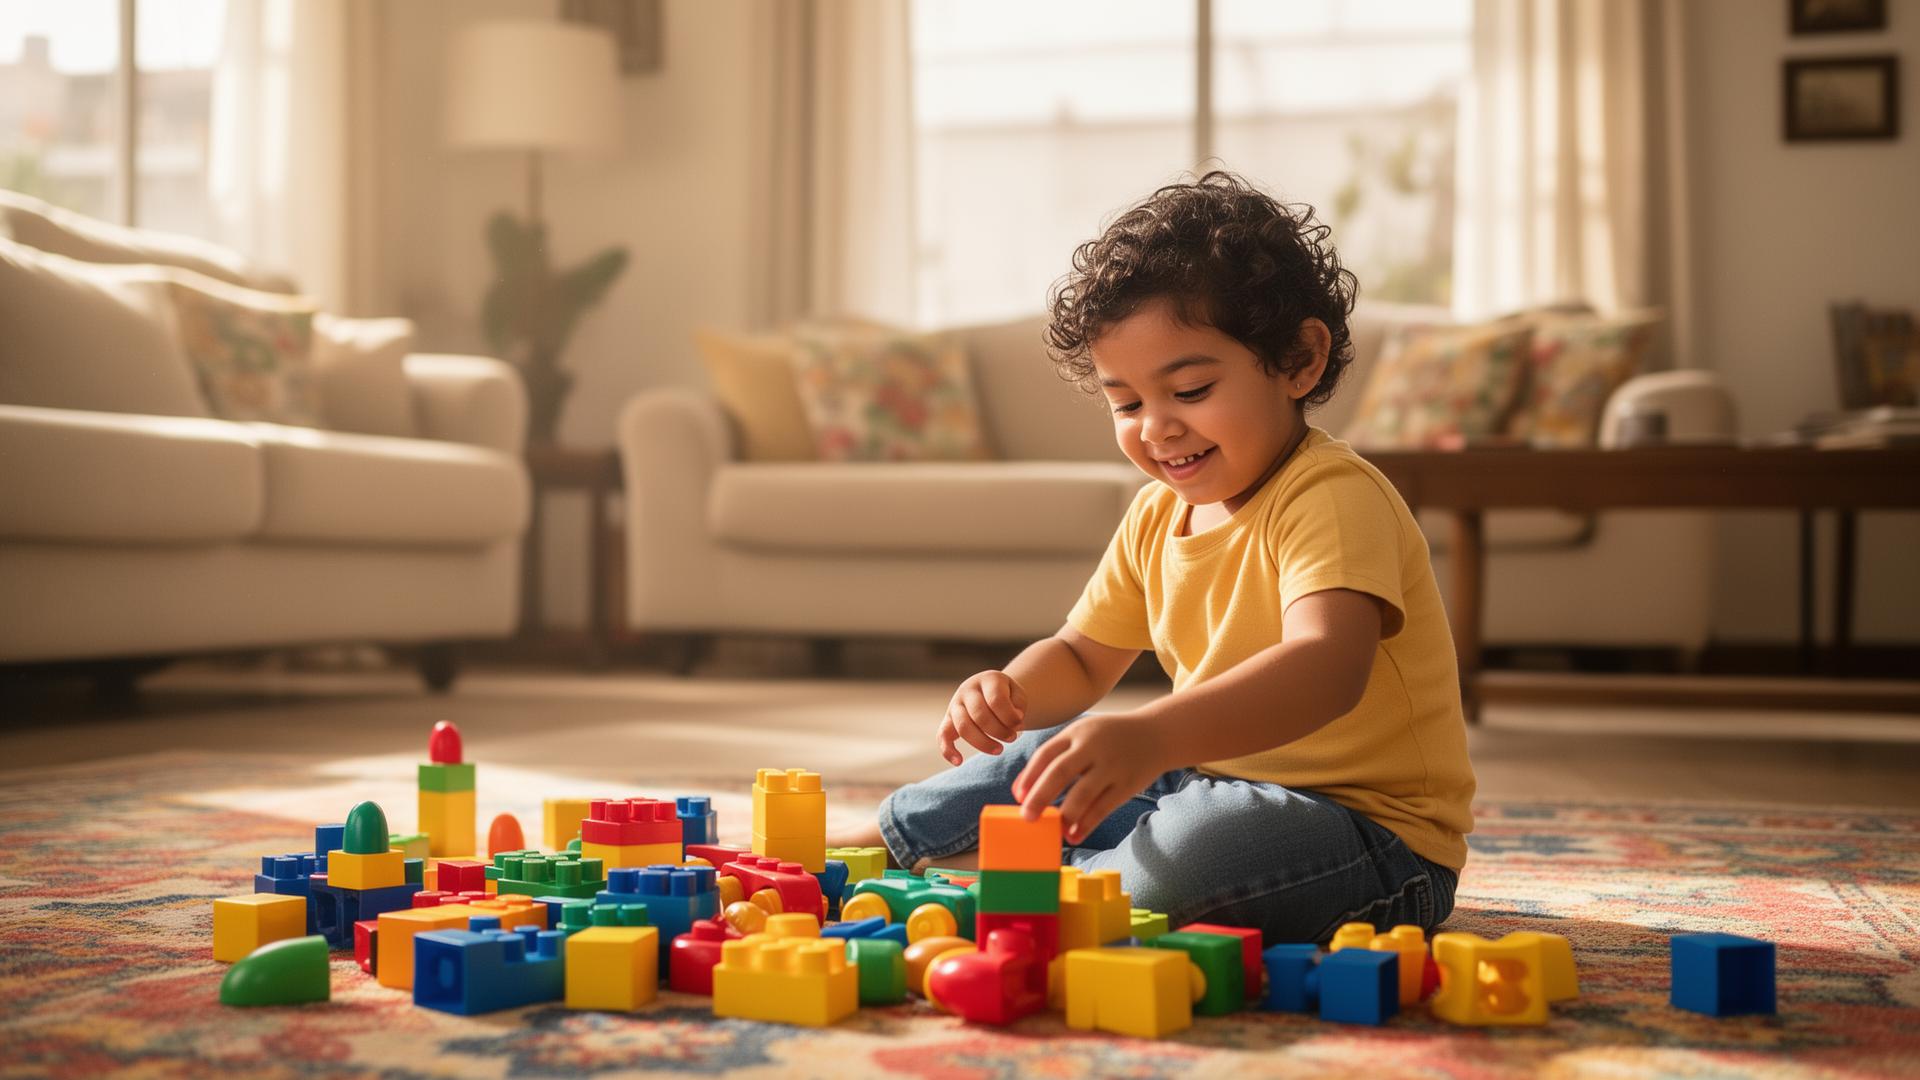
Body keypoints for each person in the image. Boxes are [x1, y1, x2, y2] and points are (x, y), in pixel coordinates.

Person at [830, 171, 1474, 943]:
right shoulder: (1158, 515)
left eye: (1192, 389)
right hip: (1204, 779)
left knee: (1200, 848)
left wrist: (1154, 736)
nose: (1157, 428)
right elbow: (1079, 656)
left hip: (1366, 837)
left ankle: (1048, 898)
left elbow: (1327, 666)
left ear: (1300, 361)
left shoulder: (1331, 494)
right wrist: (1011, 692)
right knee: (1045, 757)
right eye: (1128, 404)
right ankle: (858, 858)